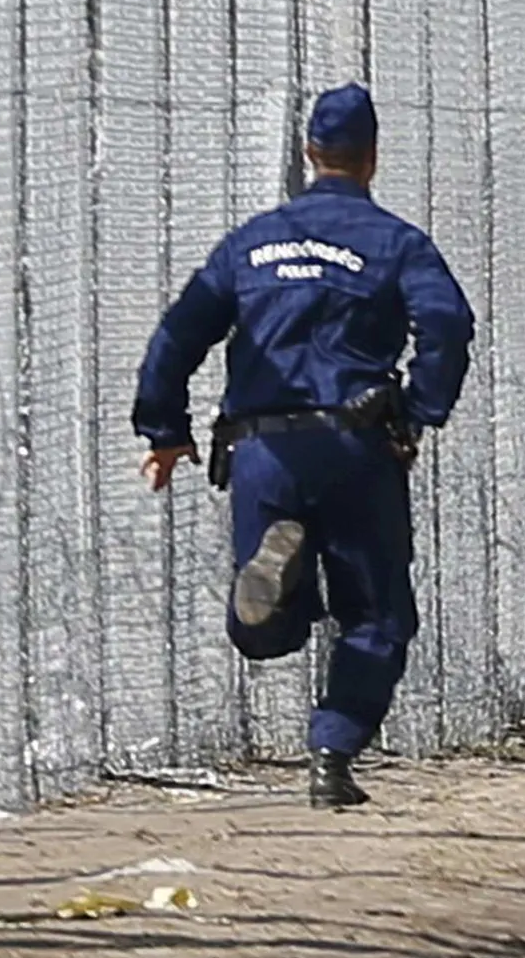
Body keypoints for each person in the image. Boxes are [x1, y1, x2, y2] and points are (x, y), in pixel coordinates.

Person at [134, 84, 476, 810]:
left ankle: (276, 588)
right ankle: (331, 754)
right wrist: (418, 410)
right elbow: (447, 325)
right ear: (372, 158)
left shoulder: (253, 242)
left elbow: (177, 334)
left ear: (307, 153)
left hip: (262, 452)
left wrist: (165, 430)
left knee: (264, 636)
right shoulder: (396, 243)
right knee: (377, 616)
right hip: (356, 446)